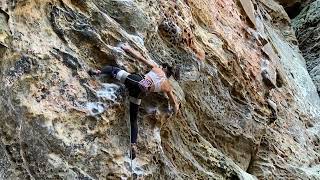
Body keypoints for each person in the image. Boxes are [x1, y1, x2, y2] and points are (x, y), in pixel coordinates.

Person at [88, 43, 181, 159]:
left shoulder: (157, 69)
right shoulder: (167, 86)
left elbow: (140, 58)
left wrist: (128, 49)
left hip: (136, 80)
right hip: (139, 93)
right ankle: (133, 144)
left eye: (162, 66)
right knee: (133, 119)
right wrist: (176, 110)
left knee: (113, 69)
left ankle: (98, 72)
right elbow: (173, 102)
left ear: (165, 69)